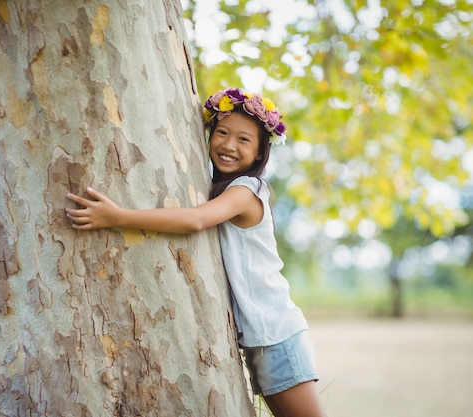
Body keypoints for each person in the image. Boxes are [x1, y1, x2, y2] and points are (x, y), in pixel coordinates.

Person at [65, 87, 327, 417]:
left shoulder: (248, 191)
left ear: (261, 153)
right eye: (221, 133)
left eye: (244, 140)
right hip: (260, 339)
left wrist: (117, 217)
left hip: (277, 335)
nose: (229, 145)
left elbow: (195, 220)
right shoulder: (217, 188)